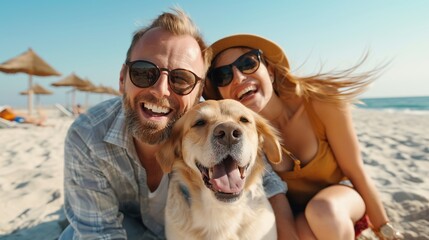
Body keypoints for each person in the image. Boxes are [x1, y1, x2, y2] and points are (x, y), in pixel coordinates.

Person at [60, 10, 294, 239]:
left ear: (198, 92)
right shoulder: (88, 136)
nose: (161, 90)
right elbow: (99, 232)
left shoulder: (206, 119)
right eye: (144, 73)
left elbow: (263, 175)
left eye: (181, 79)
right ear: (122, 79)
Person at [203, 34, 403, 240]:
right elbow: (273, 194)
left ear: (270, 71)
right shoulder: (238, 137)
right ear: (221, 94)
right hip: (297, 214)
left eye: (247, 63)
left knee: (324, 211)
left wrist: (384, 228)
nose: (238, 78)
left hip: (341, 202)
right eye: (223, 76)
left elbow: (355, 170)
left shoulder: (320, 103)